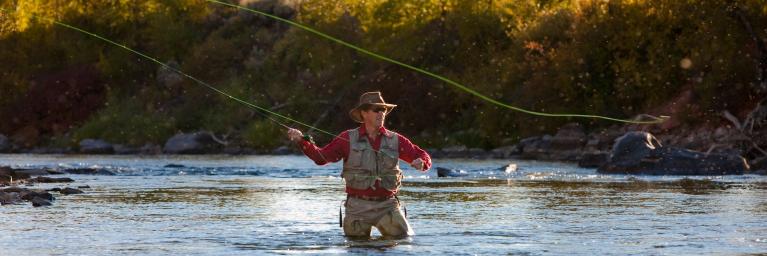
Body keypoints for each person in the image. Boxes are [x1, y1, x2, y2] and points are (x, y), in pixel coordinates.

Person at [287, 91, 431, 237]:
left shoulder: (396, 140)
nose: (381, 113)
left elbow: (422, 155)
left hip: (388, 206)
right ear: (364, 113)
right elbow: (322, 158)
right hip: (357, 207)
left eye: (384, 110)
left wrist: (422, 162)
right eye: (376, 109)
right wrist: (302, 141)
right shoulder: (346, 138)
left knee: (404, 242)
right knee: (357, 248)